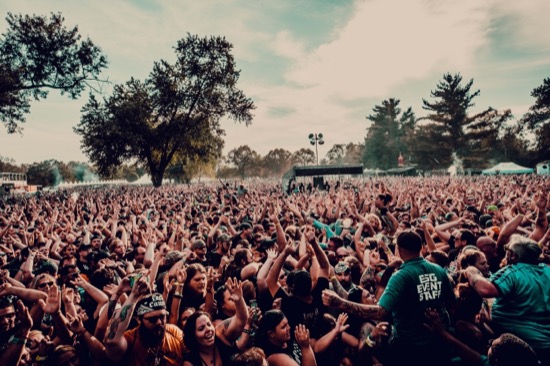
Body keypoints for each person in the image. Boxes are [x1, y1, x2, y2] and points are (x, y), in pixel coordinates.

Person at [322, 230, 456, 366]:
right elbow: (452, 305)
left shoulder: (401, 276)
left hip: (411, 350)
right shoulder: (439, 270)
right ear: (421, 247)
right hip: (439, 344)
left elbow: (380, 312)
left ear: (399, 249)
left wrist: (340, 303)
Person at [464, 235, 550, 364]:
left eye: (507, 250)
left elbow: (486, 290)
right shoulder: (547, 270)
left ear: (513, 256)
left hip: (518, 345)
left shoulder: (513, 272)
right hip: (545, 342)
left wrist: (471, 271)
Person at [104, 276, 184, 366]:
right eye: (152, 319)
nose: (158, 322)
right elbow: (111, 341)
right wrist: (133, 295)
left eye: (162, 317)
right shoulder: (131, 339)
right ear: (139, 319)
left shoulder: (174, 332)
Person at [182, 278, 248, 366]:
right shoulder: (190, 361)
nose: (208, 329)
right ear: (193, 336)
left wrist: (239, 300)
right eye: (201, 328)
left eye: (209, 324)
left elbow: (241, 319)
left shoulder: (221, 336)